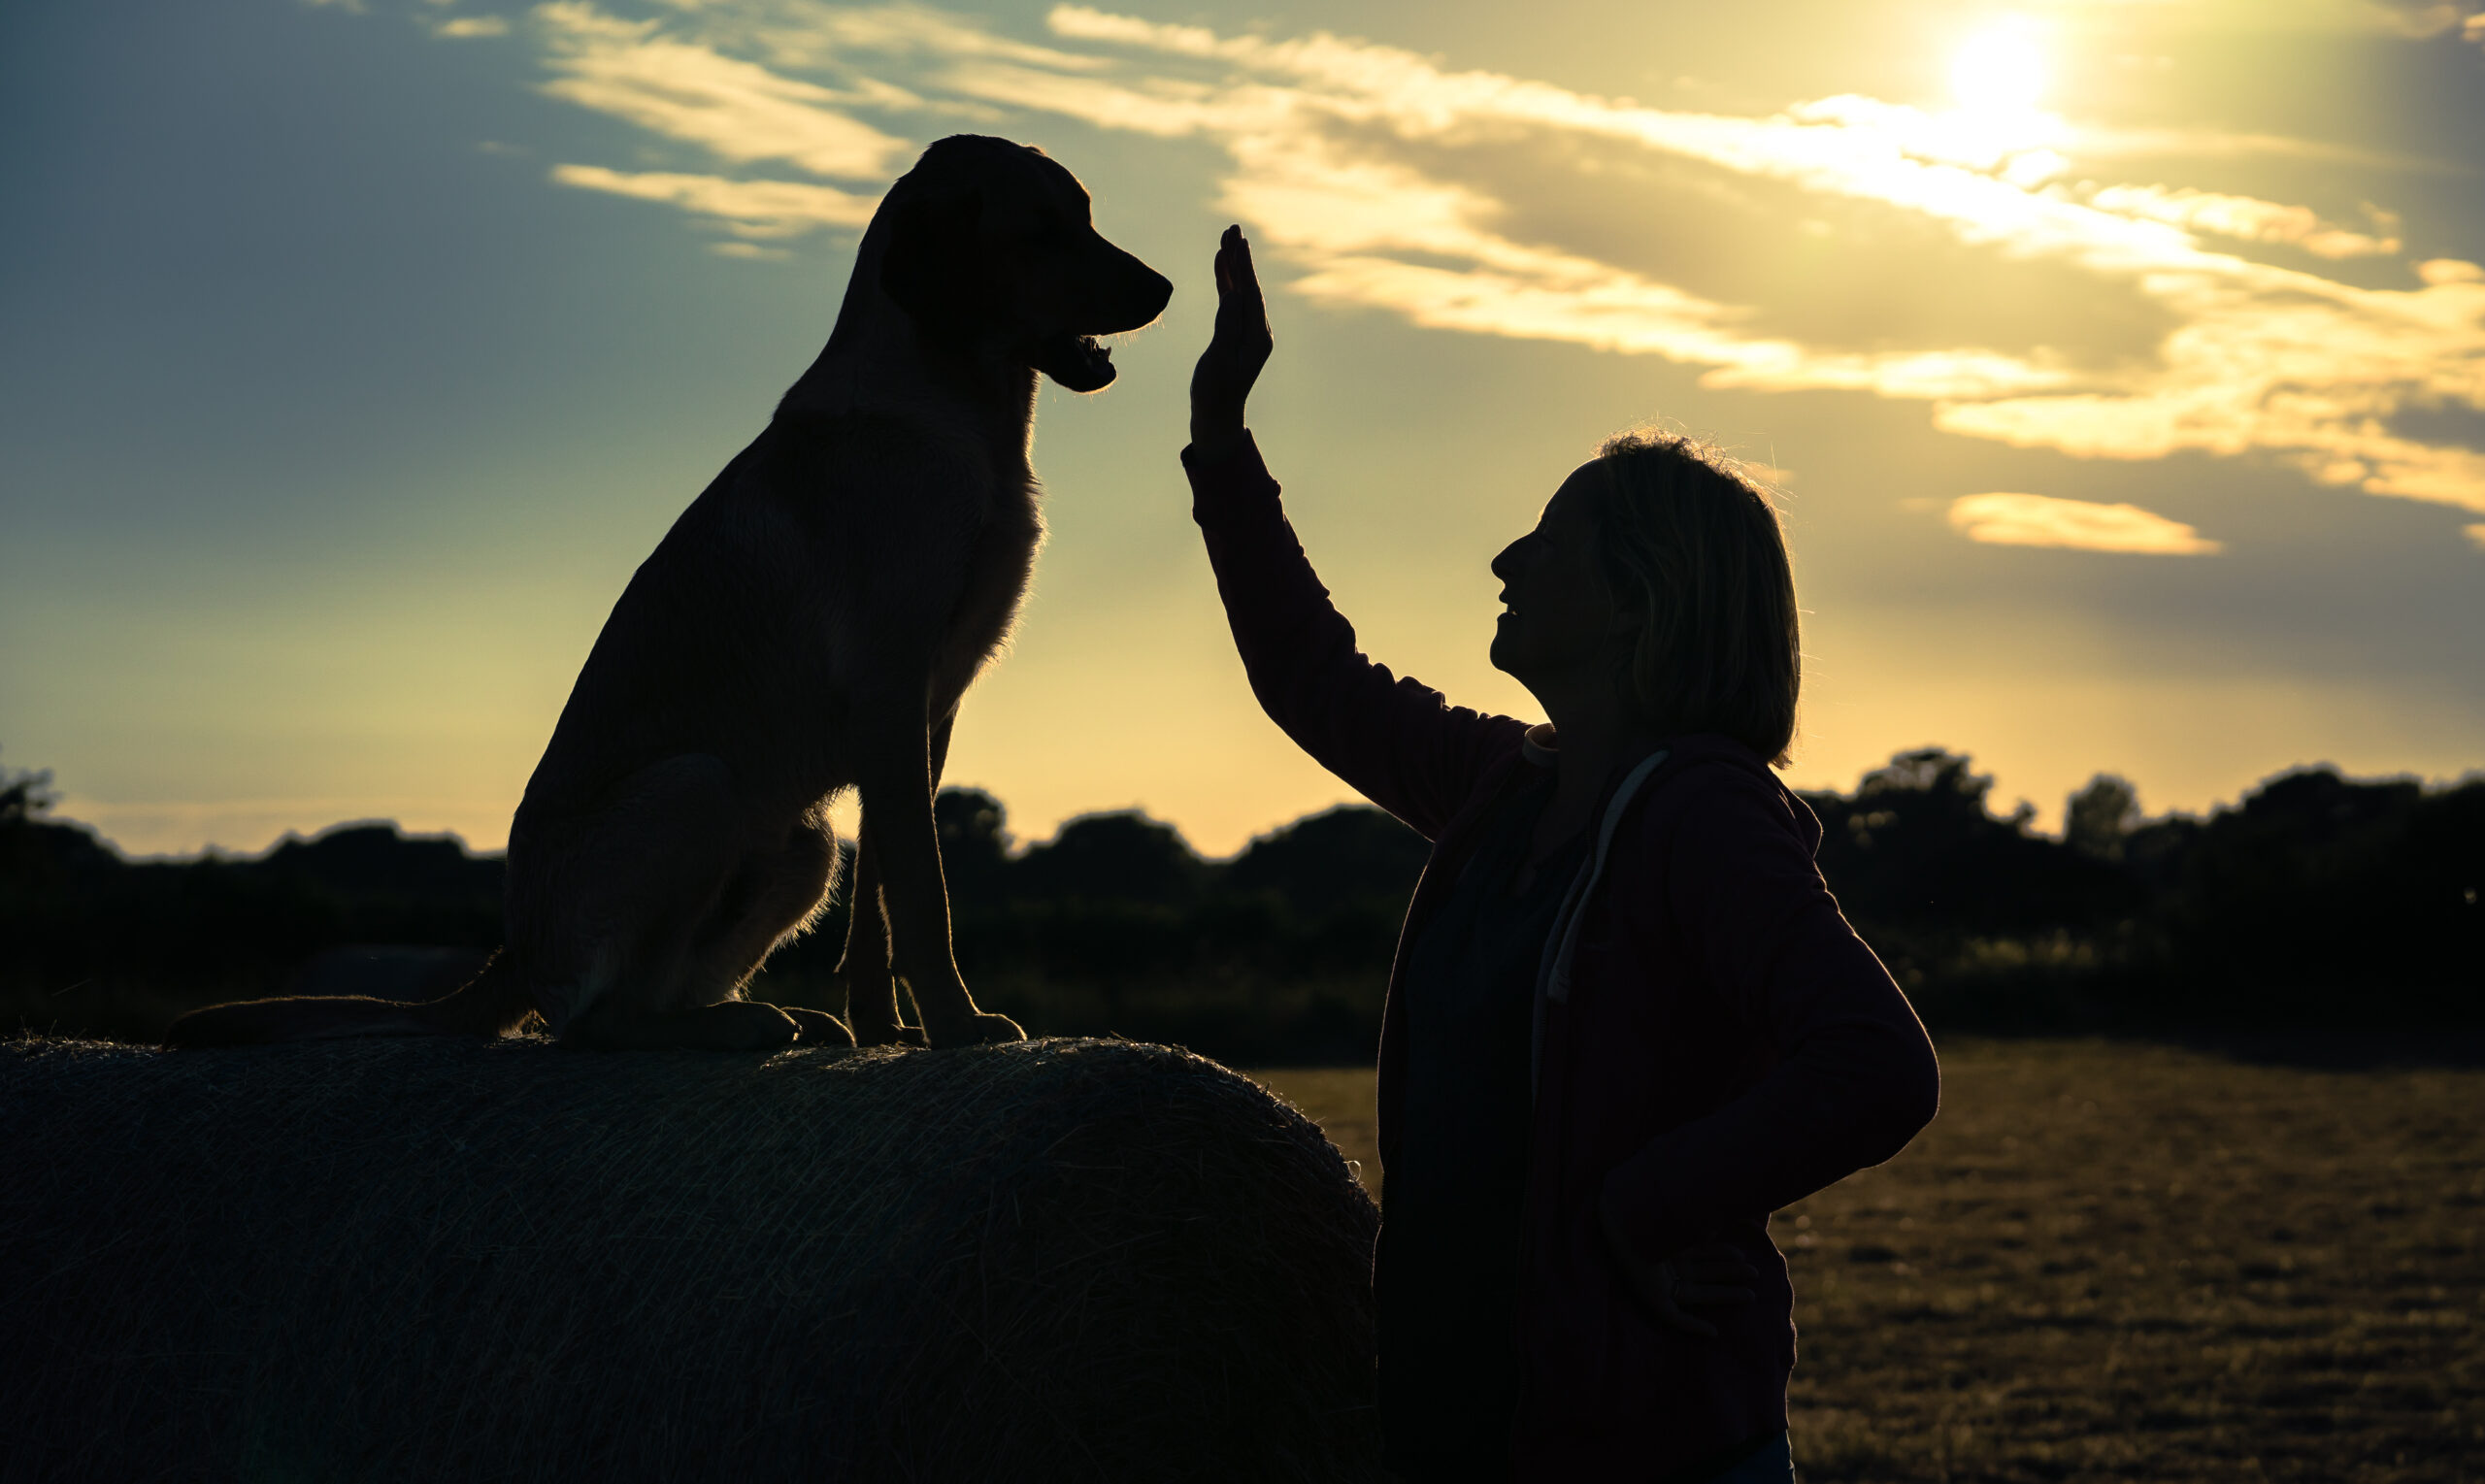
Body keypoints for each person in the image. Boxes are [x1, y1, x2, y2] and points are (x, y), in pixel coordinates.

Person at [1181, 225, 1942, 1483]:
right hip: (1468, 1426)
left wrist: (1653, 1205)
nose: (1505, 559)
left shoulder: (1699, 819)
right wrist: (1220, 434)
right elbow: (1312, 679)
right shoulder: (1499, 787)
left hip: (1642, 1443)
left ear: (1641, 600)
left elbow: (1878, 1064)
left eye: (1549, 540)